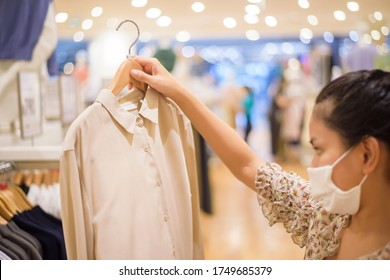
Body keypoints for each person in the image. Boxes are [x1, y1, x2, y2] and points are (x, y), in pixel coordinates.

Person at [129, 56, 390, 260]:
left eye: (319, 149)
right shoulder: (326, 215)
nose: (312, 165)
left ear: (367, 155)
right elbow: (249, 165)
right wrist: (179, 92)